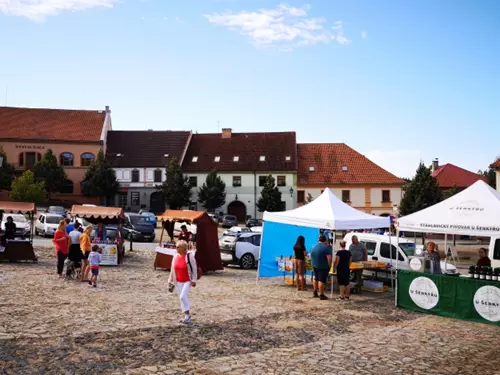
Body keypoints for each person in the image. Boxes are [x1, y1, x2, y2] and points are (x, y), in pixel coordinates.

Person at [168, 240, 197, 324]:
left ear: (183, 248)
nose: (176, 248)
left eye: (178, 247)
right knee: (181, 298)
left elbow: (194, 268)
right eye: (176, 247)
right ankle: (186, 316)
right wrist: (170, 280)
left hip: (187, 280)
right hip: (178, 281)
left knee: (182, 297)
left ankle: (188, 315)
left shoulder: (189, 256)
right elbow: (172, 269)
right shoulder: (175, 256)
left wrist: (194, 280)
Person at [310, 235, 332, 300]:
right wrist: (330, 266)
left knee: (315, 278)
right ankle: (321, 294)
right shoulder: (326, 248)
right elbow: (329, 258)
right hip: (323, 266)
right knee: (321, 280)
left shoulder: (313, 246)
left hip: (314, 265)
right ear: (325, 240)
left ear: (318, 240)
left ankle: (315, 291)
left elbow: (310, 255)